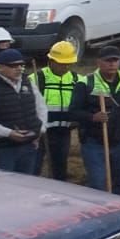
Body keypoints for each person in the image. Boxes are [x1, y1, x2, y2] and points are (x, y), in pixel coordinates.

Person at [69, 48, 120, 195]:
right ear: (99, 62)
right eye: (108, 61)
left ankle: (119, 207)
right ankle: (99, 207)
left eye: (115, 60)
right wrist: (92, 117)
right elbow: (73, 111)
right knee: (98, 183)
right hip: (94, 141)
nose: (112, 64)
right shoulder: (86, 83)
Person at [35, 40, 84, 179]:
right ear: (51, 61)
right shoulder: (37, 79)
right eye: (62, 63)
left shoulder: (78, 80)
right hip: (40, 133)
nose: (66, 66)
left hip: (63, 132)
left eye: (69, 63)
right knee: (34, 168)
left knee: (60, 169)